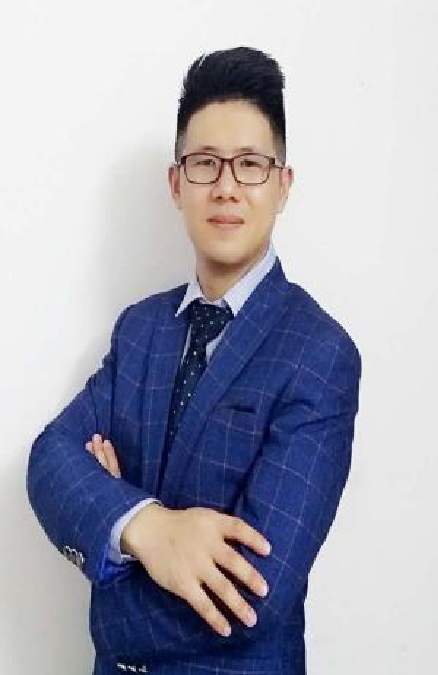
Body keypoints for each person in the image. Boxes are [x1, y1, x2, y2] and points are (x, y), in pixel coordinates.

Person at [26, 46, 362, 675]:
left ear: (283, 186)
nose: (226, 186)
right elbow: (50, 459)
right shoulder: (140, 330)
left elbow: (253, 596)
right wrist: (148, 528)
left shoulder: (319, 354)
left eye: (250, 164)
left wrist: (108, 575)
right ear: (177, 184)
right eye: (205, 163)